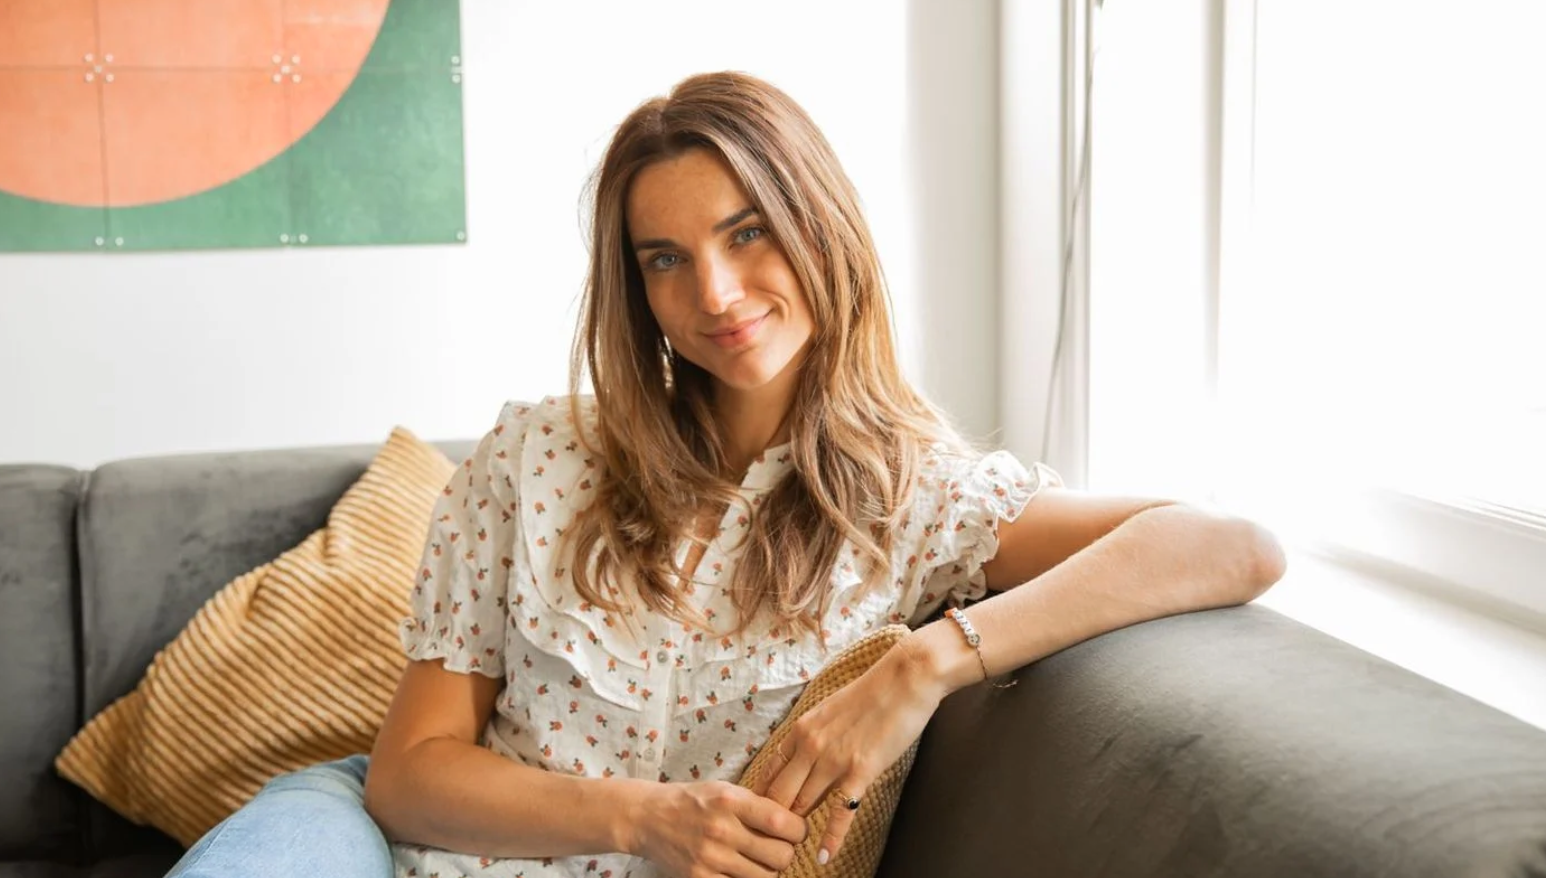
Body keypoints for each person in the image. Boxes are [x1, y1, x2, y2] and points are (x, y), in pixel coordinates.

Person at [163, 70, 1285, 878]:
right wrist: (645, 817)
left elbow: (1229, 544)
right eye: (666, 258)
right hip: (377, 844)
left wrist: (924, 665)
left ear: (819, 226)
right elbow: (406, 776)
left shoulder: (922, 501)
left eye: (748, 233)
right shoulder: (532, 456)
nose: (714, 292)